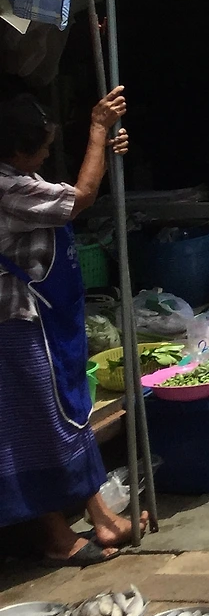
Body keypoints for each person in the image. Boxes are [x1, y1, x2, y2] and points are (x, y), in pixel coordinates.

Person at [0, 87, 140, 566]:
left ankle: (102, 517)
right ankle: (56, 537)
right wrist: (97, 131)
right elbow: (79, 198)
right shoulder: (7, 189)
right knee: (37, 426)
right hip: (15, 327)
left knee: (70, 414)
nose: (45, 156)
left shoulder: (20, 177)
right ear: (15, 150)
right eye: (40, 148)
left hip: (42, 320)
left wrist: (105, 153)